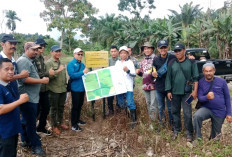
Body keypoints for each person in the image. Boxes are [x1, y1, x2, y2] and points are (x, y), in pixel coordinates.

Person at [17, 42, 49, 156]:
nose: (36, 52)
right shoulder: (23, 61)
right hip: (28, 97)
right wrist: (41, 81)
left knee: (26, 120)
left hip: (32, 96)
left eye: (37, 50)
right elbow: (24, 79)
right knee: (31, 122)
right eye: (33, 50)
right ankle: (36, 146)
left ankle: (25, 140)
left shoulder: (30, 60)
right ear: (26, 49)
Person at [165, 43, 199, 142]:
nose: (178, 53)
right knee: (174, 111)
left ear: (184, 50)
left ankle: (189, 132)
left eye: (179, 50)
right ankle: (177, 130)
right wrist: (168, 91)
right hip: (174, 93)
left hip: (187, 93)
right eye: (176, 51)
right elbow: (168, 78)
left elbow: (196, 78)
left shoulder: (191, 62)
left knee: (187, 113)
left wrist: (195, 91)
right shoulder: (171, 63)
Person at [193, 63, 232, 141]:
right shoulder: (201, 82)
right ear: (203, 72)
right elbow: (200, 98)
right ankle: (198, 138)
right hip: (206, 108)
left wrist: (229, 114)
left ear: (214, 71)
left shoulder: (222, 81)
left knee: (215, 138)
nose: (208, 73)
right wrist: (207, 97)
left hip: (219, 111)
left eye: (210, 71)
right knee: (197, 116)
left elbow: (227, 98)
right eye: (206, 71)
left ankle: (212, 141)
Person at [0, 58, 29, 157]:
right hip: (4, 132)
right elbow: (1, 109)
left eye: (12, 69)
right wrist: (20, 101)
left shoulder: (8, 84)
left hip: (12, 129)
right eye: (6, 69)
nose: (10, 72)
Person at [152, 40, 175, 129]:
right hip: (159, 88)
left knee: (170, 108)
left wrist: (191, 58)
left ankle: (172, 124)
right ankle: (162, 124)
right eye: (161, 48)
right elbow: (153, 72)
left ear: (168, 47)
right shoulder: (156, 60)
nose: (163, 49)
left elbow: (183, 59)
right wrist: (152, 74)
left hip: (170, 88)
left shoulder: (173, 58)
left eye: (164, 47)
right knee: (160, 107)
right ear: (158, 49)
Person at [46, 45, 68, 135]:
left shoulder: (61, 62)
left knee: (61, 107)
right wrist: (58, 70)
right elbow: (48, 77)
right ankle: (54, 126)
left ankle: (60, 122)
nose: (58, 53)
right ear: (51, 52)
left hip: (62, 89)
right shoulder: (49, 63)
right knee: (53, 108)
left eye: (59, 51)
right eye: (56, 51)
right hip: (54, 90)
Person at [136, 42, 158, 130]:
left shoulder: (156, 59)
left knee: (153, 104)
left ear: (152, 49)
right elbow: (142, 73)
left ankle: (154, 124)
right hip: (145, 85)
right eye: (145, 49)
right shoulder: (143, 60)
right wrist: (138, 72)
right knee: (148, 104)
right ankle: (151, 122)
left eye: (148, 48)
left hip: (154, 85)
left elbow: (158, 71)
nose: (147, 50)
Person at [34, 38, 53, 135]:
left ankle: (41, 127)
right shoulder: (33, 57)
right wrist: (48, 73)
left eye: (44, 46)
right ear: (36, 45)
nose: (43, 47)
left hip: (44, 88)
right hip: (37, 89)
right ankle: (32, 132)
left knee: (46, 108)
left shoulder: (41, 58)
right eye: (41, 45)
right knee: (36, 111)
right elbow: (37, 74)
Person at [67, 48, 88, 132]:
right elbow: (72, 75)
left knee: (80, 105)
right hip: (75, 88)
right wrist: (83, 72)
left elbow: (85, 74)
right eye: (78, 54)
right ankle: (74, 124)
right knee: (75, 106)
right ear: (74, 55)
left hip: (82, 88)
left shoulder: (82, 64)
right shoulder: (71, 64)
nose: (80, 56)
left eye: (81, 54)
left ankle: (78, 120)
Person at [115, 46, 137, 128]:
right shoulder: (117, 63)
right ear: (119, 54)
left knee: (130, 102)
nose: (123, 54)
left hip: (128, 87)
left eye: (125, 53)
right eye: (121, 53)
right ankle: (126, 118)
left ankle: (134, 121)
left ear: (127, 54)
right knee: (121, 103)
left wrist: (128, 70)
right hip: (119, 87)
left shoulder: (130, 62)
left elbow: (134, 75)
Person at [107, 45, 119, 115]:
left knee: (119, 98)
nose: (113, 53)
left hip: (118, 83)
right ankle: (110, 111)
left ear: (117, 52)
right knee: (109, 98)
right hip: (110, 83)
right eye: (112, 51)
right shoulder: (108, 61)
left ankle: (118, 111)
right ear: (110, 52)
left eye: (115, 51)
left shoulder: (120, 60)